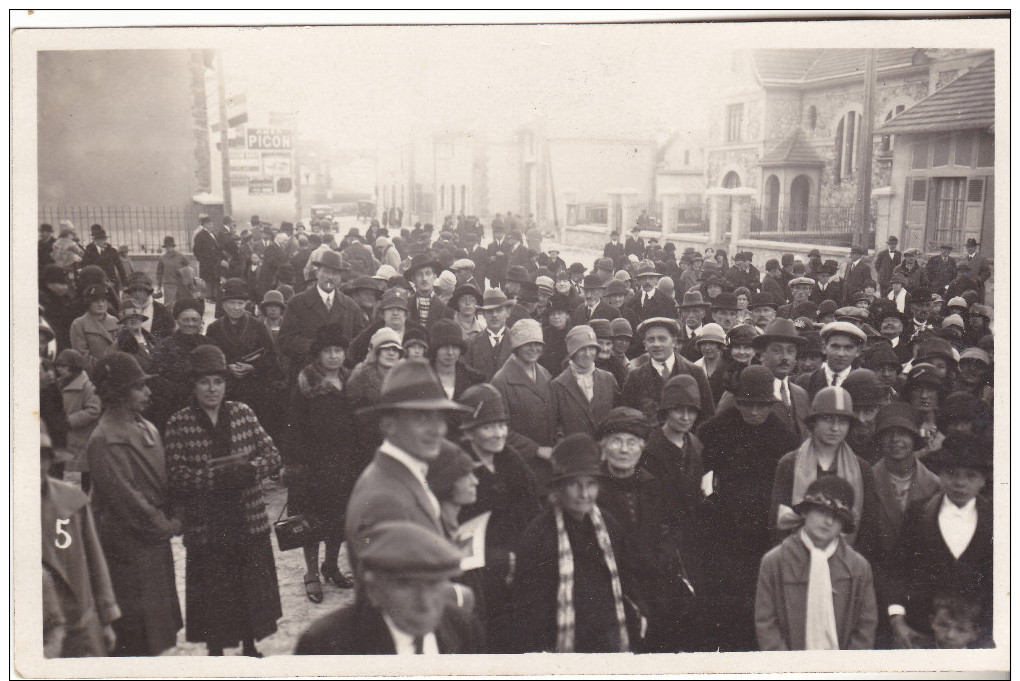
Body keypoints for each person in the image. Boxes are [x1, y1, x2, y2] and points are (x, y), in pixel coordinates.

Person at [164, 345, 282, 657]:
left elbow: (272, 454)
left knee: (248, 584)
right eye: (204, 382)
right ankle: (215, 650)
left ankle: (249, 645)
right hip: (207, 521)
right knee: (215, 588)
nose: (212, 389)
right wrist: (215, 479)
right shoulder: (180, 422)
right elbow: (175, 473)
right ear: (193, 385)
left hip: (246, 517)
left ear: (226, 384)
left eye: (218, 381)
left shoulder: (243, 413)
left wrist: (251, 471)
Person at [696, 365, 801, 651]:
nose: (754, 412)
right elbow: (700, 476)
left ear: (771, 404)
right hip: (721, 533)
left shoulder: (785, 438)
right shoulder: (713, 430)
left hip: (762, 536)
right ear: (737, 401)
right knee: (721, 604)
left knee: (756, 605)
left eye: (762, 406)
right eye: (747, 404)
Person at [85, 352, 182, 655]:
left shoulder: (145, 427)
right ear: (118, 394)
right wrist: (165, 524)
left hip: (151, 540)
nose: (148, 392)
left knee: (156, 627)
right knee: (136, 632)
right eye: (139, 387)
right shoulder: (105, 438)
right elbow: (125, 498)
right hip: (128, 543)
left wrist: (176, 512)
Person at [510, 433, 644, 653]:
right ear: (559, 488)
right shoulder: (539, 535)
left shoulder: (608, 526)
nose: (584, 494)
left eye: (591, 485)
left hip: (608, 638)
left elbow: (627, 579)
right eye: (575, 485)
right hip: (560, 644)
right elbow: (528, 609)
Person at [345, 360, 471, 571]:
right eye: (422, 418)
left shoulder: (405, 475)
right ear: (388, 425)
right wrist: (463, 599)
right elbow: (396, 596)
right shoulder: (384, 499)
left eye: (440, 418)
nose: (438, 430)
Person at [295, 520, 485, 655]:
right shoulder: (326, 645)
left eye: (434, 583)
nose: (425, 602)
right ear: (373, 590)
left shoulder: (464, 628)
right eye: (406, 585)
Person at [596, 407, 693, 652]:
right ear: (603, 448)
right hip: (613, 588)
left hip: (655, 583)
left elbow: (673, 526)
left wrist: (664, 554)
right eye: (616, 441)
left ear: (642, 448)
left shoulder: (652, 484)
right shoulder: (593, 490)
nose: (624, 449)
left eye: (631, 442)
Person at [454, 383, 542, 651]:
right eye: (488, 426)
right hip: (476, 572)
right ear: (470, 431)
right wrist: (499, 559)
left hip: (519, 562)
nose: (499, 433)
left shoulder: (510, 458)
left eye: (502, 425)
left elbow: (532, 506)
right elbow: (454, 530)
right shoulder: (457, 465)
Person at [884, 434, 993, 649]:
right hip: (920, 634)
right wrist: (897, 618)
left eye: (970, 476)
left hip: (975, 638)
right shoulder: (919, 513)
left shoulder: (998, 520)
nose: (960, 483)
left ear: (982, 481)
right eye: (952, 474)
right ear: (940, 475)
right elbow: (898, 569)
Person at [285, 323, 362, 603]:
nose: (333, 356)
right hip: (315, 465)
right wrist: (296, 464)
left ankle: (331, 566)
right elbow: (294, 428)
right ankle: (311, 573)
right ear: (318, 355)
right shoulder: (306, 385)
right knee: (312, 521)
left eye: (338, 351)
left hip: (345, 463)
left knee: (339, 519)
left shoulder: (352, 381)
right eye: (328, 351)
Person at [755, 476, 877, 650]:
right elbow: (766, 623)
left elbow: (865, 627)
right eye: (822, 512)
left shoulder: (858, 567)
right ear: (805, 512)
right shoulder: (775, 562)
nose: (828, 522)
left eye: (837, 517)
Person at [40, 429, 120, 657]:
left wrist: (106, 618)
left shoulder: (71, 500)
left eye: (41, 457)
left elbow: (95, 560)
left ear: (49, 460)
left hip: (80, 622)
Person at [769, 386, 870, 546]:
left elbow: (866, 528)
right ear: (814, 422)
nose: (835, 428)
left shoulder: (861, 468)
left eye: (842, 421)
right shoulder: (790, 463)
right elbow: (778, 520)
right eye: (828, 419)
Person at [204, 278, 284, 438]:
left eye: (240, 303)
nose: (236, 307)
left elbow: (271, 356)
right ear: (223, 305)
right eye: (232, 303)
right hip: (226, 388)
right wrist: (227, 368)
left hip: (254, 388)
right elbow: (209, 358)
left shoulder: (258, 326)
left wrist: (253, 367)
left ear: (246, 304)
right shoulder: (214, 329)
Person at [278, 250, 365, 376]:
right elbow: (285, 340)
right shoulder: (297, 303)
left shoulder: (351, 307)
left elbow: (359, 342)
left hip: (340, 377)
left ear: (340, 277)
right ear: (317, 273)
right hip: (306, 375)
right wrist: (314, 348)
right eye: (326, 272)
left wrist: (340, 354)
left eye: (335, 273)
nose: (330, 277)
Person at [491, 319, 556, 484]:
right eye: (528, 344)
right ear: (517, 347)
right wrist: (536, 450)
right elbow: (501, 430)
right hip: (518, 467)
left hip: (548, 466)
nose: (534, 349)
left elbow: (556, 417)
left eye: (537, 343)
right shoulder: (501, 381)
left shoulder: (545, 374)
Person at [622, 317, 715, 425]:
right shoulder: (635, 377)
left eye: (662, 339)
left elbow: (708, 418)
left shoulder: (695, 372)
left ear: (674, 342)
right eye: (651, 340)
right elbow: (627, 419)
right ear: (645, 344)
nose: (656, 344)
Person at [146, 298, 211, 432]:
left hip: (206, 407)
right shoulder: (164, 346)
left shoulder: (210, 345)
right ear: (177, 321)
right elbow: (155, 379)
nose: (190, 324)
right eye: (185, 320)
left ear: (200, 322)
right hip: (173, 409)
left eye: (195, 320)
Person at [550, 324, 620, 440]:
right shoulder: (558, 385)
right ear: (572, 353)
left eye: (591, 348)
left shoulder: (608, 379)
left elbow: (617, 414)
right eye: (582, 349)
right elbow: (555, 426)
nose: (588, 354)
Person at [347, 327, 406, 456]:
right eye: (386, 349)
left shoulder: (406, 380)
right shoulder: (360, 379)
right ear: (376, 352)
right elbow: (355, 421)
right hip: (366, 448)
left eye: (395, 350)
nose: (391, 353)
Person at [53, 349, 102, 490]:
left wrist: (70, 421)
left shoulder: (88, 387)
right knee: (63, 476)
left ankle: (80, 508)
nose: (60, 369)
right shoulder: (58, 384)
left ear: (74, 367)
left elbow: (94, 410)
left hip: (79, 439)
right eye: (58, 366)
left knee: (80, 477)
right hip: (62, 438)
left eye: (64, 366)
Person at [796, 321, 867, 398]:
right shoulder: (806, 381)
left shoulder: (862, 384)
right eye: (835, 347)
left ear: (858, 351)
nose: (841, 354)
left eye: (848, 348)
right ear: (824, 348)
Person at [464, 288, 515, 381]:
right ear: (483, 314)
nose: (494, 315)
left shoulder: (518, 342)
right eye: (489, 311)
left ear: (507, 312)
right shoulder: (470, 344)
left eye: (499, 310)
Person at [69, 285, 120, 376]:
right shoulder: (79, 324)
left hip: (116, 373)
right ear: (88, 303)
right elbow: (82, 356)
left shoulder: (115, 321)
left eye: (103, 301)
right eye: (96, 301)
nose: (100, 304)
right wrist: (102, 371)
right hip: (94, 374)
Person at [428, 318, 484, 401]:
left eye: (454, 347)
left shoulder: (474, 379)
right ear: (435, 349)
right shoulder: (421, 378)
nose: (450, 352)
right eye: (444, 347)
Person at [122, 272, 175, 342]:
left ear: (148, 291)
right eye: (134, 291)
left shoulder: (162, 311)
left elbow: (170, 337)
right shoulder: (125, 311)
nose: (137, 294)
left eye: (141, 290)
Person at [405, 253, 450, 328]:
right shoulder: (406, 305)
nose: (424, 278)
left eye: (428, 273)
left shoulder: (445, 310)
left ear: (435, 276)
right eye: (419, 274)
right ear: (413, 278)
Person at [109, 303, 156, 371]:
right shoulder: (119, 344)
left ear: (141, 319)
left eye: (136, 317)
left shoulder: (151, 340)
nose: (134, 320)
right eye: (129, 318)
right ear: (124, 322)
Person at [80, 227, 127, 294]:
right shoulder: (89, 251)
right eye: (101, 239)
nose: (104, 241)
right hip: (96, 284)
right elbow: (85, 267)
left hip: (112, 283)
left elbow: (120, 268)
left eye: (104, 239)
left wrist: (125, 284)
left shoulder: (112, 251)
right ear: (95, 241)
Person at [192, 215, 226, 305]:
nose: (211, 225)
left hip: (215, 262)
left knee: (215, 279)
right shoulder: (200, 236)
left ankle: (215, 297)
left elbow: (216, 248)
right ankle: (209, 297)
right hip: (207, 263)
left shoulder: (212, 234)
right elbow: (196, 250)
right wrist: (203, 259)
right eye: (209, 224)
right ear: (204, 225)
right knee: (209, 280)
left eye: (211, 223)